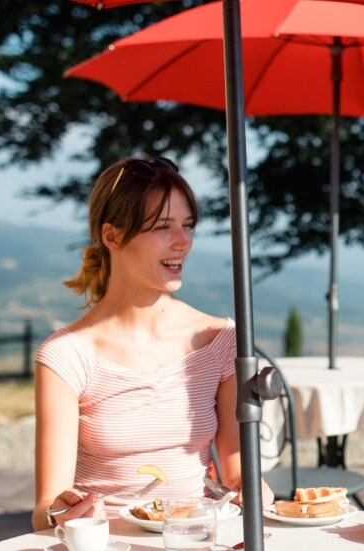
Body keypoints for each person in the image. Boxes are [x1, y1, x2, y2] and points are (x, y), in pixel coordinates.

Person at [33, 157, 270, 530]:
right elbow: (46, 508)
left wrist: (252, 489)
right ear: (111, 237)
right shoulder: (66, 356)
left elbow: (236, 474)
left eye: (188, 225)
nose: (184, 241)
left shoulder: (222, 340)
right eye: (163, 227)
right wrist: (62, 513)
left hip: (198, 535)